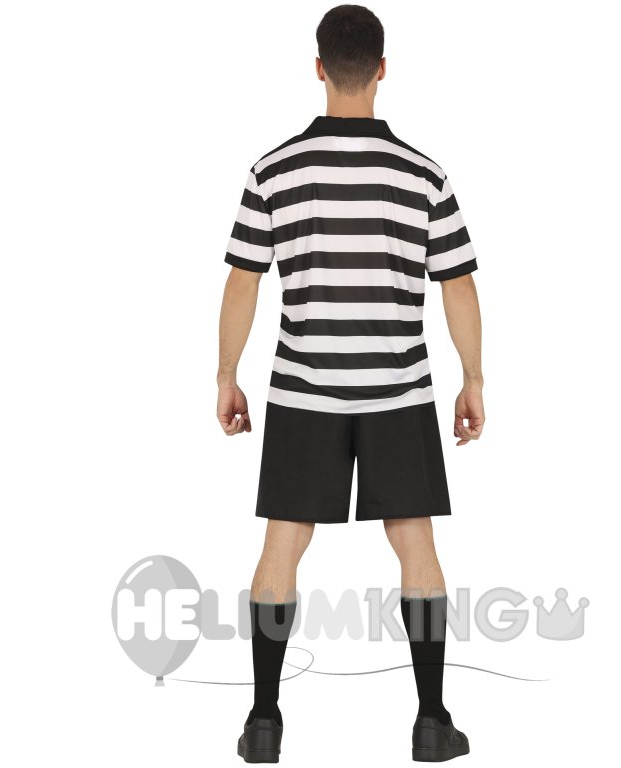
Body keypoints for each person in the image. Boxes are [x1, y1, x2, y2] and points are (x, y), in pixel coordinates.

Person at [217, 5, 483, 762]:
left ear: (319, 67)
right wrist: (474, 379)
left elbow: (243, 282)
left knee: (281, 546)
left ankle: (263, 721)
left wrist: (226, 375)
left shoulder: (273, 170)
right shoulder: (423, 174)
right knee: (416, 546)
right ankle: (431, 720)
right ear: (383, 69)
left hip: (304, 391)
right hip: (398, 391)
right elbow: (458, 286)